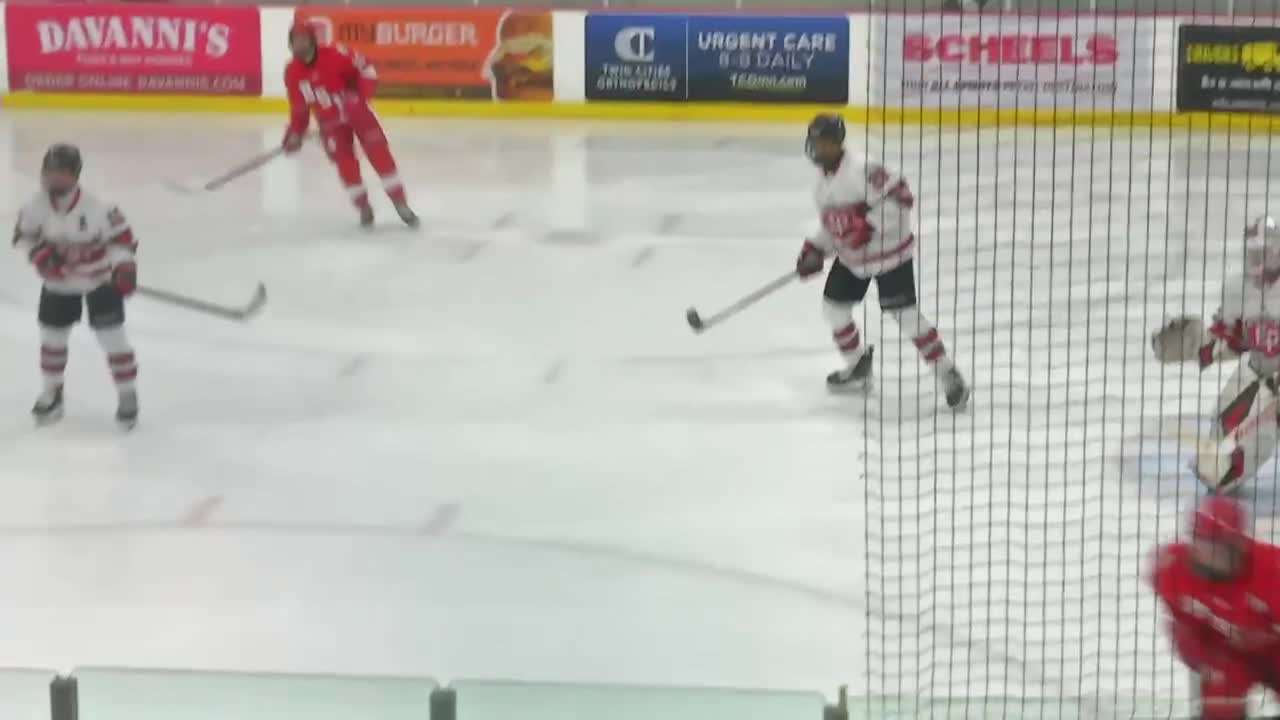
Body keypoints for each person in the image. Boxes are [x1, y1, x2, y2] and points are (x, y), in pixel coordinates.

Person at [795, 113, 969, 410]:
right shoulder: (821, 187)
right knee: (834, 310)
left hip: (890, 256)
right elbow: (832, 228)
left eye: (823, 143)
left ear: (837, 143)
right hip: (853, 261)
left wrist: (869, 225)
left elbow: (901, 199)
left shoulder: (864, 169)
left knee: (906, 317)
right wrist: (813, 250)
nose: (818, 148)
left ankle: (948, 374)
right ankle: (858, 367)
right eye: (815, 142)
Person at [11, 144, 139, 429]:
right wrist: (40, 255)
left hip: (99, 281)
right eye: (49, 172)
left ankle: (127, 394)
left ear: (75, 175)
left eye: (61, 174)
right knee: (52, 340)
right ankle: (52, 393)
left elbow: (122, 242)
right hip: (59, 283)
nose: (53, 179)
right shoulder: (35, 205)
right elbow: (23, 237)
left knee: (113, 339)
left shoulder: (99, 207)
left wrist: (124, 269)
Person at [1151, 216, 1280, 493]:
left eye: (1263, 254)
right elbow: (1235, 339)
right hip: (1260, 372)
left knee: (1261, 432)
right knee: (1217, 467)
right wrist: (1197, 343)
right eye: (1253, 254)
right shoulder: (1242, 292)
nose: (1257, 262)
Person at [1152, 496, 1280, 720]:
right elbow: (1181, 624)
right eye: (1204, 540)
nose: (1213, 551)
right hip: (1225, 655)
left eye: (1223, 543)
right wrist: (1200, 651)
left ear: (1240, 541)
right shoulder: (1171, 568)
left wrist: (1262, 638)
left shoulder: (1272, 568)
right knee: (1220, 707)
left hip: (1274, 650)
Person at [283, 20, 418, 229]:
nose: (298, 44)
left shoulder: (337, 55)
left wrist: (359, 98)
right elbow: (299, 109)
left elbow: (368, 70)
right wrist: (294, 134)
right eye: (294, 40)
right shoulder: (292, 72)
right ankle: (363, 207)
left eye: (302, 39)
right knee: (346, 167)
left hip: (359, 115)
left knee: (381, 156)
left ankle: (400, 204)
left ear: (312, 40)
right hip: (331, 125)